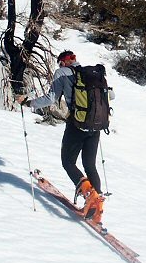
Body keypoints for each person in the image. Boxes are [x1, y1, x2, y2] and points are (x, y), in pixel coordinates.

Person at [15, 50, 111, 224]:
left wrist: (28, 102)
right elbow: (110, 95)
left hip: (76, 124)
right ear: (75, 59)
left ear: (63, 62)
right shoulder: (92, 74)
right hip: (95, 126)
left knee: (68, 162)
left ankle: (90, 195)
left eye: (60, 63)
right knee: (90, 165)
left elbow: (51, 98)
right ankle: (96, 207)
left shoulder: (62, 73)